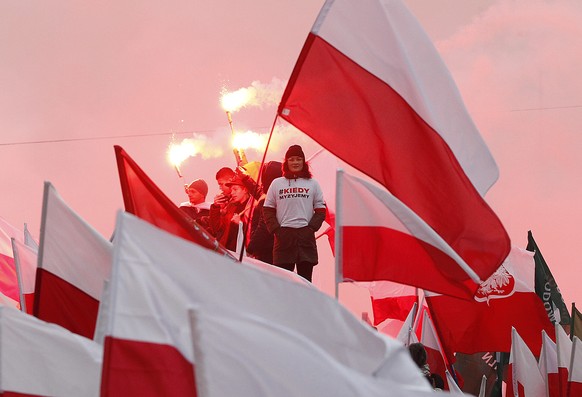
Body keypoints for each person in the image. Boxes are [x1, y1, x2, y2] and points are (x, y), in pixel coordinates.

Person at [263, 145, 326, 282]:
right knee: (283, 284)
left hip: (306, 239)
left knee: (305, 283)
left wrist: (310, 229)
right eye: (292, 159)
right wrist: (276, 230)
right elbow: (268, 209)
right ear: (286, 162)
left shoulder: (313, 184)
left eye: (298, 159)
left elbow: (321, 210)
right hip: (283, 239)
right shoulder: (277, 183)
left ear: (304, 162)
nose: (295, 162)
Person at [246, 161, 282, 264]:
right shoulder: (282, 197)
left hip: (267, 253)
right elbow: (259, 192)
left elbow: (264, 227)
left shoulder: (269, 200)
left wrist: (250, 249)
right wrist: (245, 179)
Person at [209, 175, 251, 252]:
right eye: (231, 190)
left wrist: (240, 223)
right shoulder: (231, 206)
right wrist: (215, 207)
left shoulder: (252, 207)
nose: (232, 193)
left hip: (244, 253)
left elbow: (253, 233)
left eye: (235, 189)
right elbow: (216, 229)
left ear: (245, 190)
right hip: (227, 251)